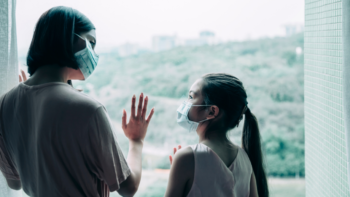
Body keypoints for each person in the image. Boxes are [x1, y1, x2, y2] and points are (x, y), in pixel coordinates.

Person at [0, 6, 154, 197]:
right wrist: (136, 140)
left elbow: (14, 183)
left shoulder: (6, 104)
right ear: (66, 37)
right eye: (91, 43)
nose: (94, 54)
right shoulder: (88, 110)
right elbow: (128, 188)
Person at [166, 73, 269, 197]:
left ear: (212, 111)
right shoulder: (245, 159)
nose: (186, 103)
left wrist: (181, 171)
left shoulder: (187, 158)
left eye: (191, 97)